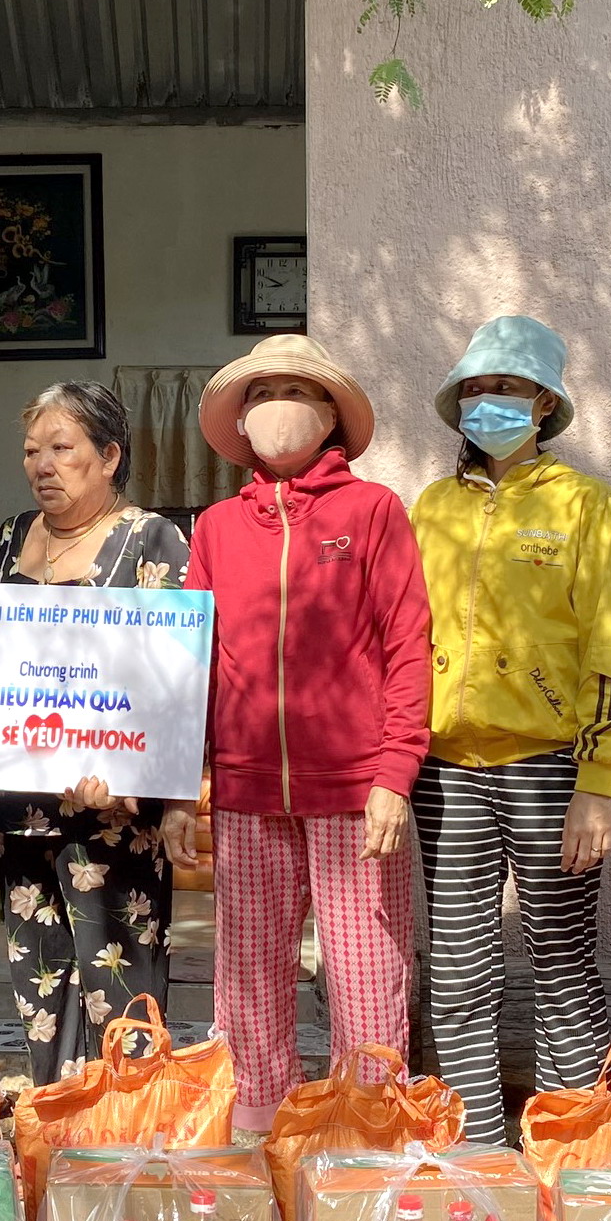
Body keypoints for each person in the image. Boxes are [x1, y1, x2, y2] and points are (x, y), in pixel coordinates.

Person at [164, 334, 432, 1133]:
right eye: (262, 392)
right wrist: (184, 785)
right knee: (247, 977)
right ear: (240, 420)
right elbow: (193, 662)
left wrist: (394, 773)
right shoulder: (214, 526)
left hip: (354, 795)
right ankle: (258, 1134)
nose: (277, 405)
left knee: (365, 975)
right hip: (245, 793)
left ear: (329, 416)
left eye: (296, 389)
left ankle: (369, 1140)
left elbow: (406, 643)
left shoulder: (372, 510)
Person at [409, 316, 611, 1145]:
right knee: (458, 970)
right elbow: (400, 637)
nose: (487, 404)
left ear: (543, 402)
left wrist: (597, 785)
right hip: (445, 768)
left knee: (560, 961)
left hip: (551, 767)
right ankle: (477, 1149)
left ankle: (565, 1146)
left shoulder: (591, 508)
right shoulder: (429, 508)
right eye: (473, 389)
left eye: (504, 389)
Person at [0, 382, 190, 1084]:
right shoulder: (8, 536)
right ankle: (56, 1132)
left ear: (109, 455)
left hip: (110, 814)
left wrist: (138, 776)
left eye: (63, 449)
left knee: (118, 989)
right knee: (39, 989)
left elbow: (174, 678)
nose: (43, 465)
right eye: (33, 451)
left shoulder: (151, 540)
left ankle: (125, 1145)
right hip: (19, 811)